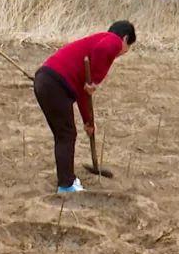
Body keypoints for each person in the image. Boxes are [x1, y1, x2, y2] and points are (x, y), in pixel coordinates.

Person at [33, 21, 135, 193]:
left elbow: (82, 94)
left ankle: (67, 181)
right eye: (128, 47)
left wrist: (88, 121)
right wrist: (94, 79)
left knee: (63, 134)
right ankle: (66, 185)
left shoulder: (96, 43)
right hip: (54, 82)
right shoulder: (112, 40)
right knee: (66, 135)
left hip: (46, 81)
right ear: (125, 39)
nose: (123, 52)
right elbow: (104, 50)